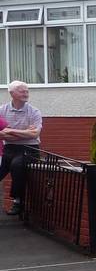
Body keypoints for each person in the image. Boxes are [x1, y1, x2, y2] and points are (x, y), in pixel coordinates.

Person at [0, 81, 42, 215]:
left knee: (17, 165)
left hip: (30, 148)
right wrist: (25, 132)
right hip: (8, 149)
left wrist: (10, 131)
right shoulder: (2, 110)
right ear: (12, 93)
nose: (26, 94)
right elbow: (1, 134)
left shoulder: (34, 111)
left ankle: (18, 202)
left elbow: (35, 134)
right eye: (22, 91)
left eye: (27, 91)